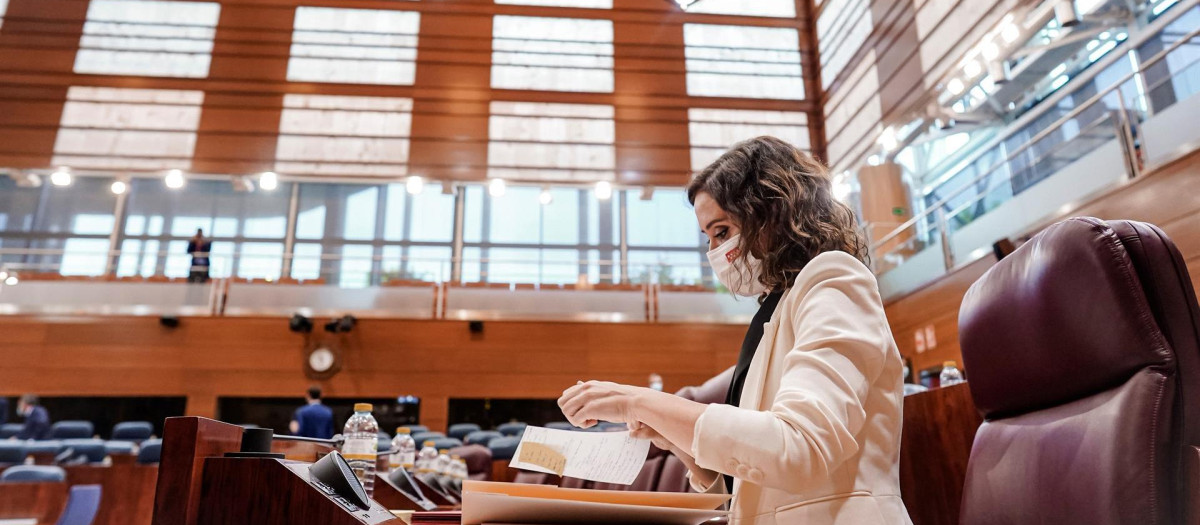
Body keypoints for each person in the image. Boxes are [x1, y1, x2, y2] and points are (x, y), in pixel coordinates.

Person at [558, 137, 911, 524]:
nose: (714, 252)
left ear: (770, 212)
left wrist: (638, 402)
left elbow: (799, 449)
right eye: (708, 239)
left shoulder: (834, 279)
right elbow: (747, 481)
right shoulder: (775, 309)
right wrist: (678, 440)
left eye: (722, 232)